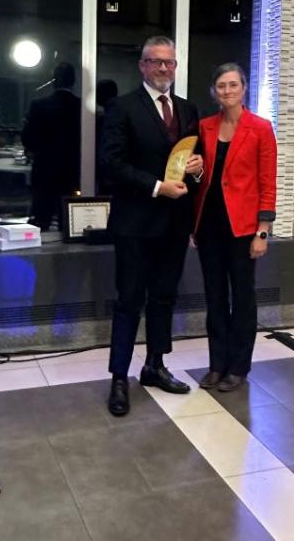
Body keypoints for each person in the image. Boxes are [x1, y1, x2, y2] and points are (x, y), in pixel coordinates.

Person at [100, 36, 204, 416]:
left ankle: (155, 366)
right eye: (156, 62)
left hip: (175, 225)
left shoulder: (187, 109)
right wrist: (158, 187)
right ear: (142, 65)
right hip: (136, 223)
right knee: (129, 301)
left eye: (170, 63)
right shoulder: (122, 107)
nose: (164, 69)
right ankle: (118, 378)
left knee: (164, 297)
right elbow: (111, 164)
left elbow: (197, 159)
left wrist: (198, 168)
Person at [194, 63, 277, 392]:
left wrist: (263, 231)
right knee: (214, 297)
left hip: (243, 228)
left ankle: (238, 367)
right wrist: (195, 172)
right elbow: (200, 177)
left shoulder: (260, 127)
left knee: (243, 298)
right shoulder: (204, 127)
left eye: (233, 85)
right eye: (221, 86)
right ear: (214, 91)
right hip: (209, 225)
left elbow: (267, 183)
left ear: (244, 88)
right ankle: (217, 364)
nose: (227, 91)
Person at [21, 62, 80, 230]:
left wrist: (36, 151)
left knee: (41, 217)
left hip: (44, 169)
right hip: (72, 170)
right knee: (68, 219)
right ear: (73, 81)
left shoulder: (38, 105)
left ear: (54, 80)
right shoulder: (81, 107)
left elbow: (28, 139)